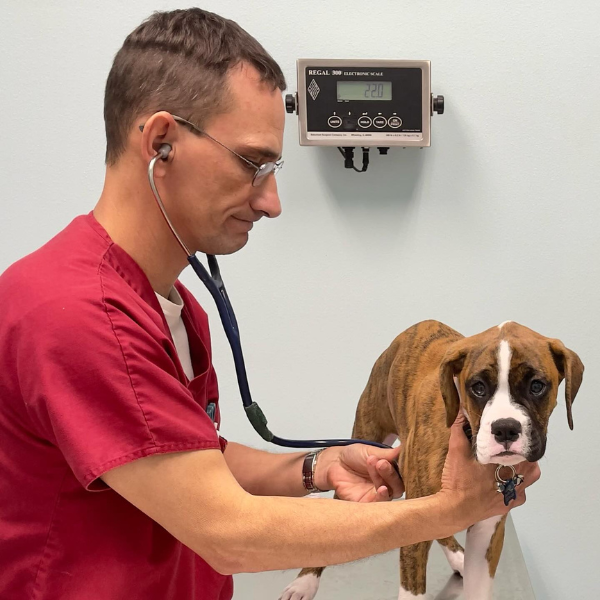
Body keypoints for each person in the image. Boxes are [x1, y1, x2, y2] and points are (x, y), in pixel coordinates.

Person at [0, 8, 540, 600]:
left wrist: (313, 469)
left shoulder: (168, 305)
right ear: (162, 143)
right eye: (254, 164)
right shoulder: (78, 317)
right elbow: (228, 534)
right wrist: (447, 510)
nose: (272, 202)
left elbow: (189, 459)